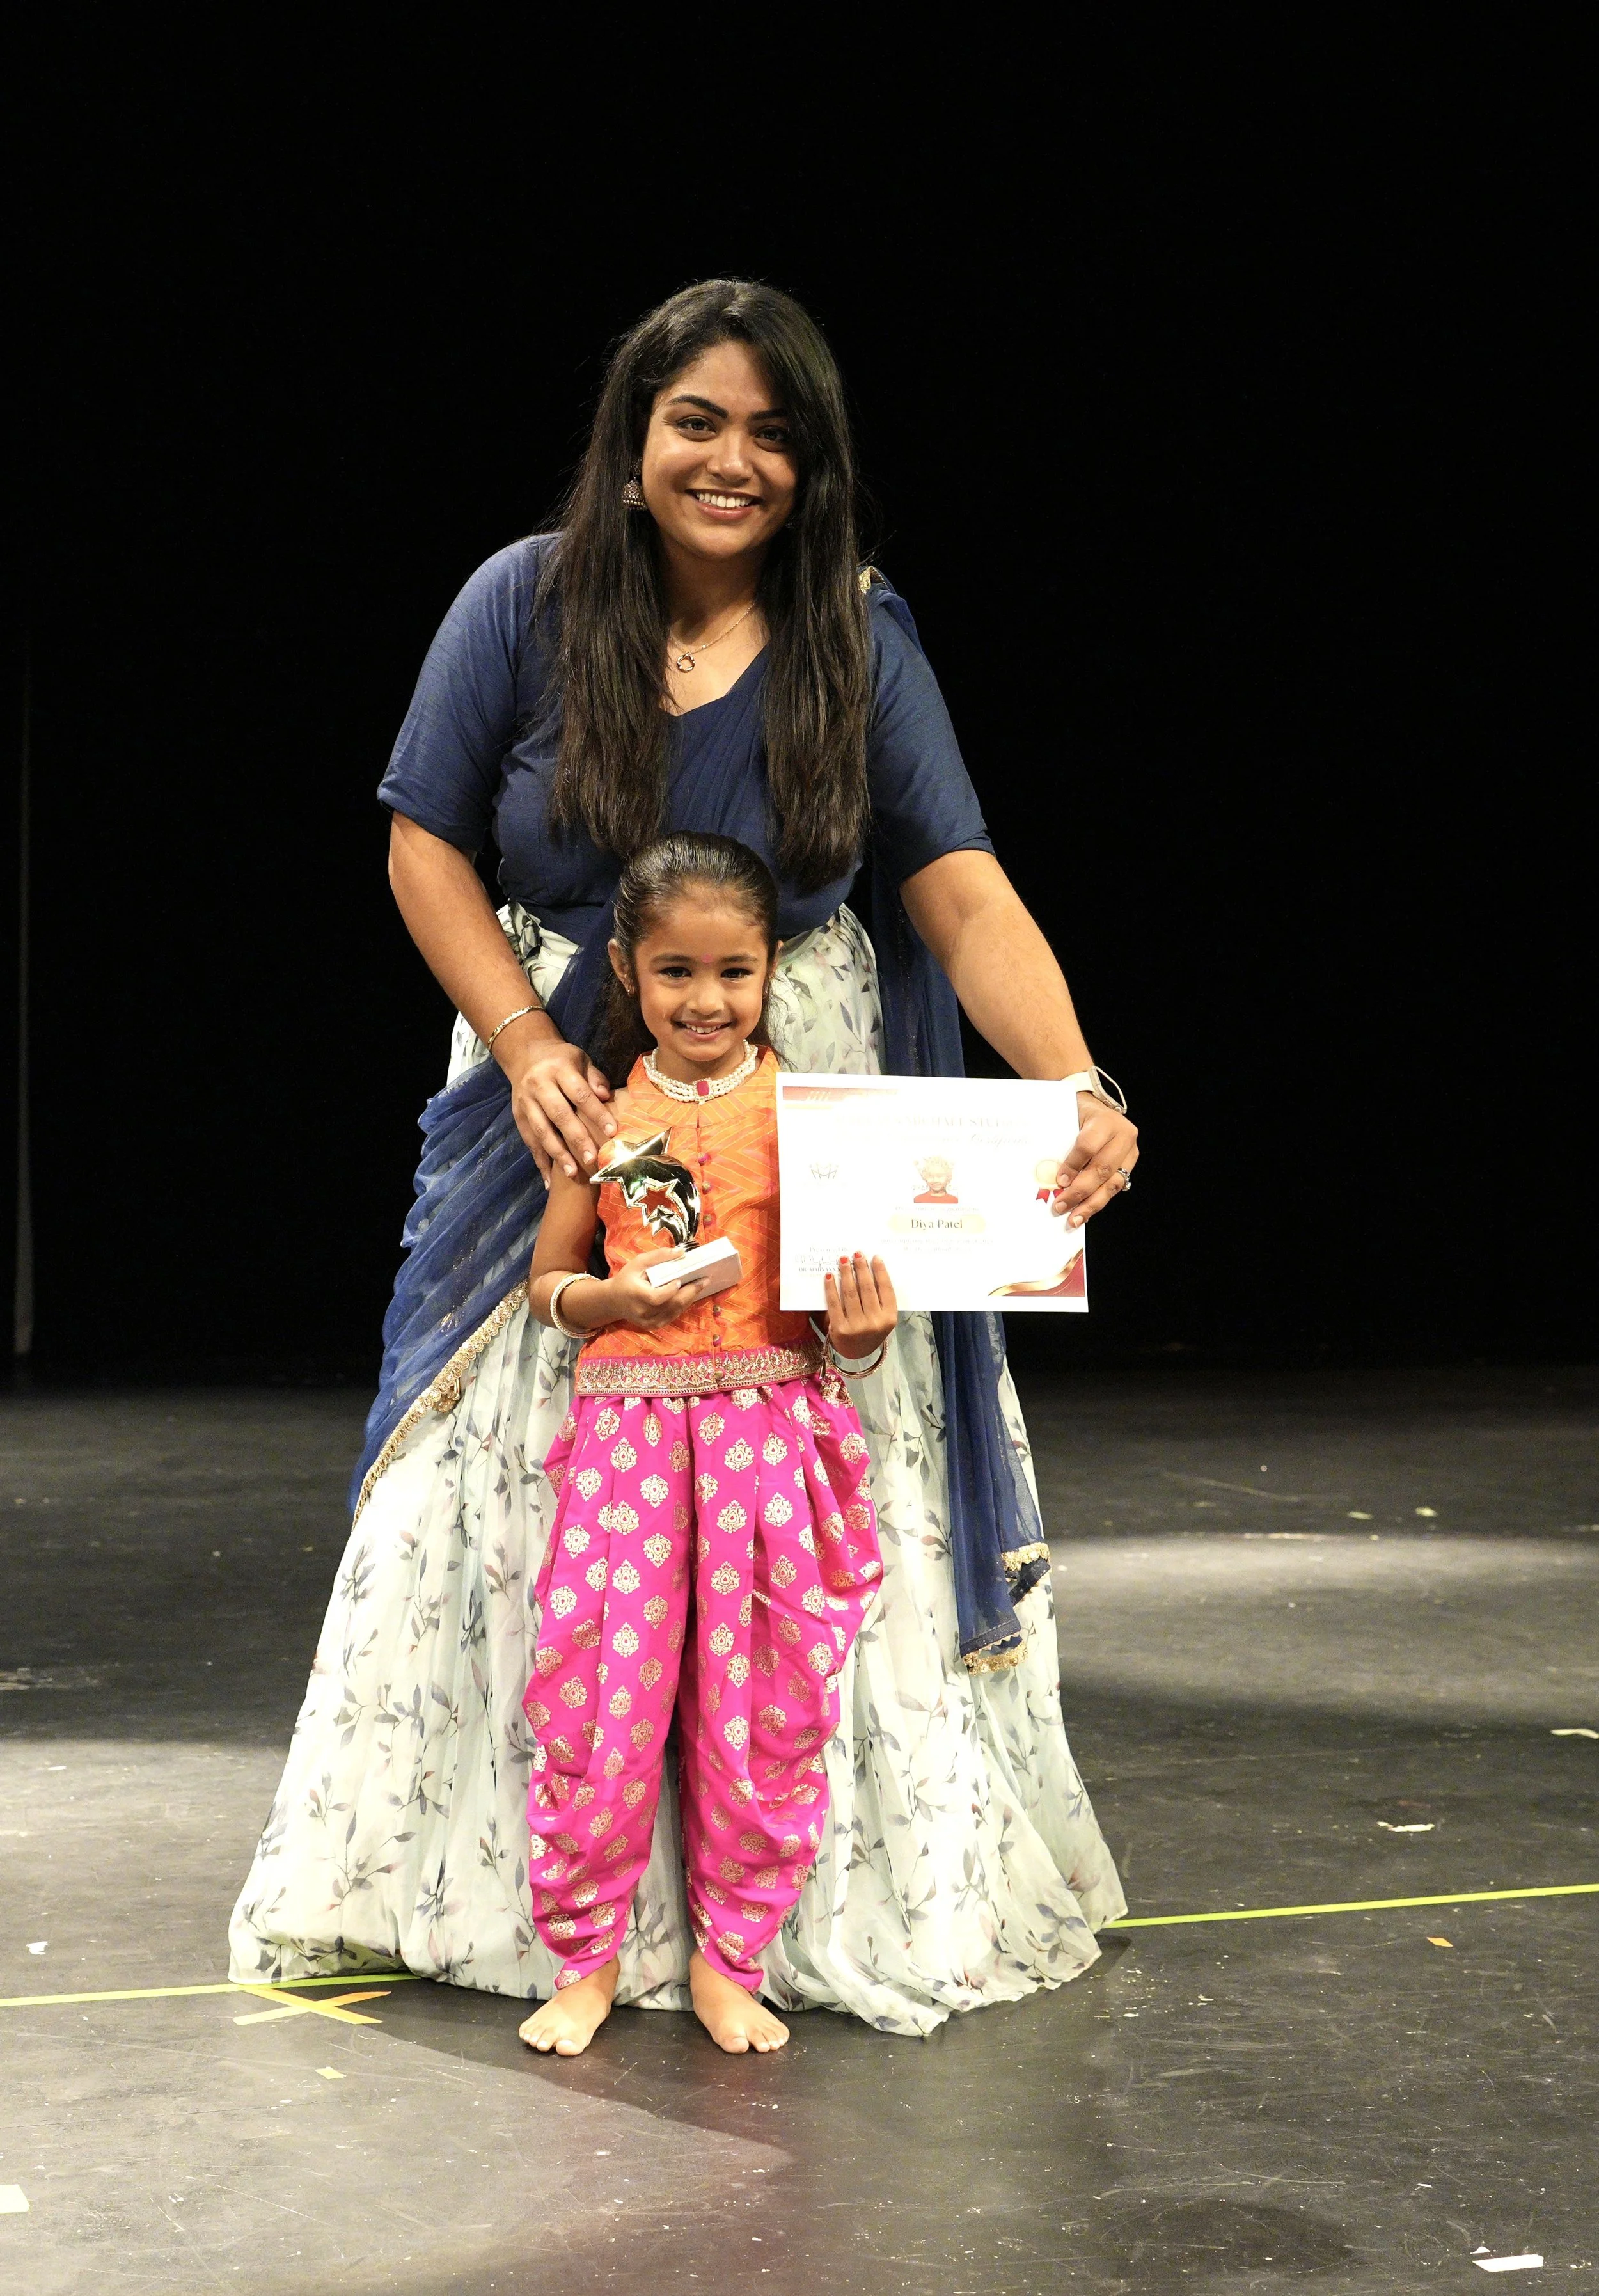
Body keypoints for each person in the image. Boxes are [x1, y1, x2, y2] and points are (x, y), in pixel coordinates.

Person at [230, 278, 1137, 2035]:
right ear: (633, 439)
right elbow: (422, 847)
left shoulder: (855, 635)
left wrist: (1081, 1081)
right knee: (507, 1492)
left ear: (814, 461)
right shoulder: (525, 599)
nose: (733, 461)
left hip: (786, 1116)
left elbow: (957, 883)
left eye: (772, 431)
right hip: (556, 1080)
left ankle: (770, 1924)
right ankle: (531, 1912)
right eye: (697, 422)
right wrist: (526, 1049)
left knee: (805, 1509)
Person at [519, 831, 897, 2056]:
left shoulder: (817, 1120)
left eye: (733, 972)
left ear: (772, 966)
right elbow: (544, 1283)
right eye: (675, 972)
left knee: (759, 1701)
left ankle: (732, 1957)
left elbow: (851, 1324)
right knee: (605, 1699)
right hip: (632, 1440)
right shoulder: (608, 1115)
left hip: (771, 1438)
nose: (706, 1000)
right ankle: (585, 1960)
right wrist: (608, 1305)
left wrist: (863, 1336)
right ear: (629, 971)